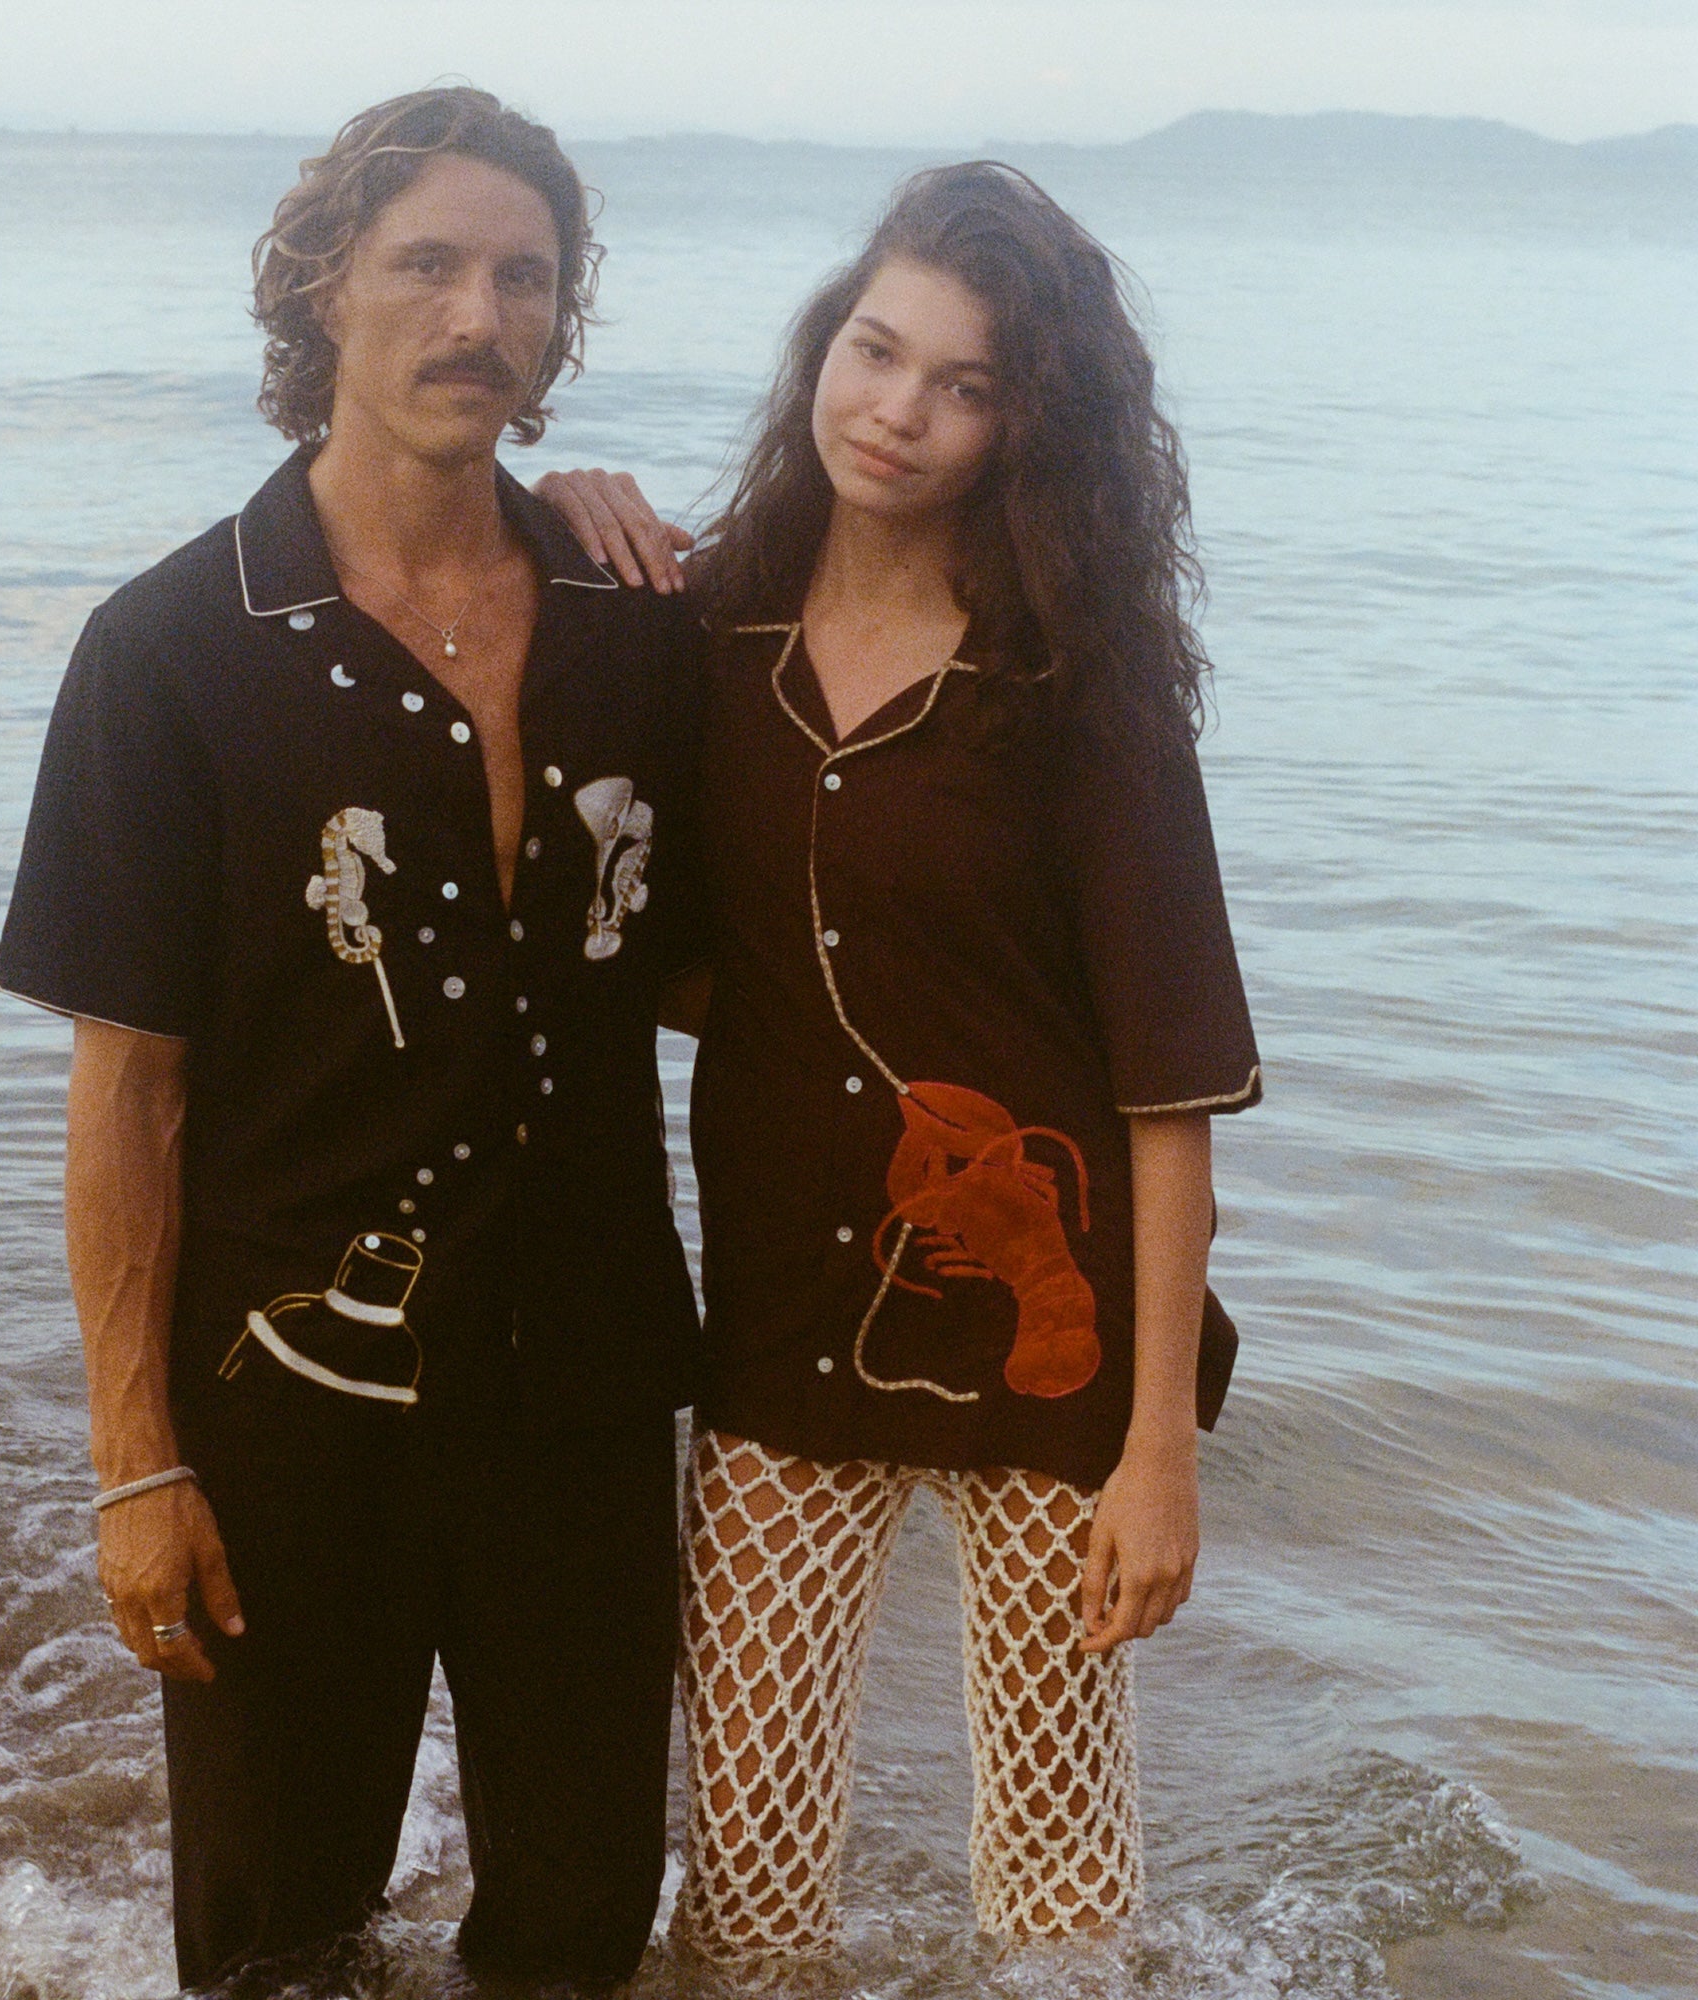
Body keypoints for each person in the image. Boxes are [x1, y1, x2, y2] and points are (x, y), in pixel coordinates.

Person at [0, 88, 706, 1991]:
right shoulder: (171, 650)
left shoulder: (636, 627)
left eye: (526, 276)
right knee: (277, 1932)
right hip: (288, 1403)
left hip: (587, 1389)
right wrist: (136, 1463)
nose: (479, 314)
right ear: (321, 287)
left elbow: (725, 966)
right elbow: (128, 1086)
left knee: (578, 1921)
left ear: (564, 321)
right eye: (428, 265)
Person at [536, 161, 1261, 1959]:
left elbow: (1168, 1091)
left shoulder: (1079, 681)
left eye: (966, 385)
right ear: (821, 348)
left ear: (1032, 429)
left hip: (1050, 1334)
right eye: (876, 350)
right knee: (749, 1867)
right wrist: (545, 510)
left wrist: (1156, 1445)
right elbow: (670, 943)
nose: (899, 410)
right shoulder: (713, 631)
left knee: (1059, 1879)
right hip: (788, 1313)